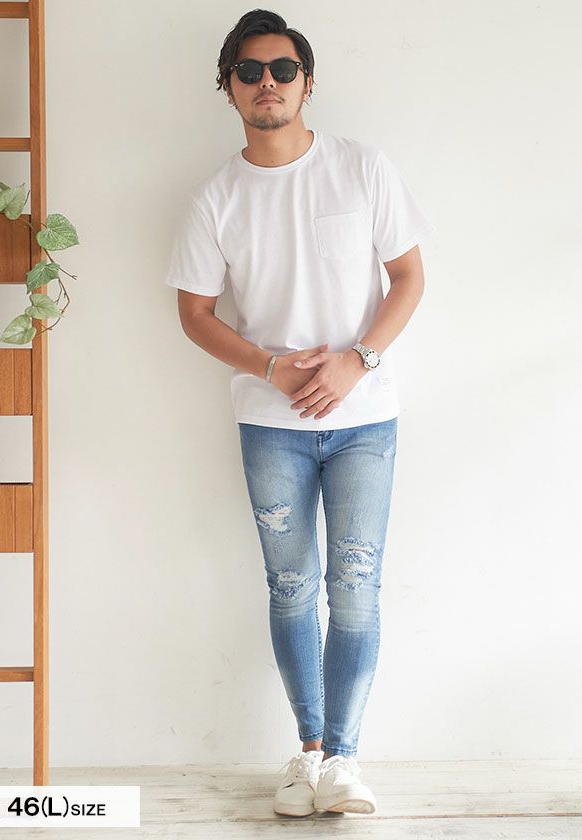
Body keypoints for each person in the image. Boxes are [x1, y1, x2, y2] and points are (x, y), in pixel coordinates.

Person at [162, 8, 436, 818]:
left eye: (283, 69)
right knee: (290, 587)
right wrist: (271, 368)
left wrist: (359, 359)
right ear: (227, 87)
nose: (268, 83)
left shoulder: (361, 167)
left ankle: (345, 761)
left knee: (355, 587)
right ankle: (308, 754)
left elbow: (409, 278)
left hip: (365, 419)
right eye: (249, 71)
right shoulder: (215, 198)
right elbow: (194, 313)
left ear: (307, 83)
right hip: (271, 423)